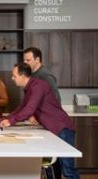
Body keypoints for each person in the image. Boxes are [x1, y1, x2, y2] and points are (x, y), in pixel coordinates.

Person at [0, 62, 80, 179]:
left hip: (62, 128)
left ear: (23, 75)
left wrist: (11, 121)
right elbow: (20, 109)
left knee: (68, 170)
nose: (12, 78)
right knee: (53, 169)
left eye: (14, 76)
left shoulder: (38, 85)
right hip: (53, 129)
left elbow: (29, 109)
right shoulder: (30, 88)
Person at [24, 47, 62, 178]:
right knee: (44, 156)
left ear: (37, 59)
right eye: (24, 60)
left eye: (28, 60)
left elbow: (55, 100)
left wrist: (40, 116)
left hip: (51, 123)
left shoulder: (45, 75)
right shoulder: (32, 76)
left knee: (52, 157)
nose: (25, 62)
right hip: (41, 122)